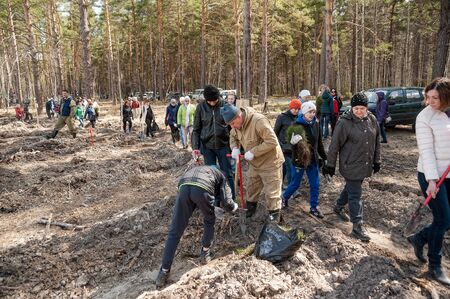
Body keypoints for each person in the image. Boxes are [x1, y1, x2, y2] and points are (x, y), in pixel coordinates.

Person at [155, 165, 238, 288]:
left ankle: (164, 271)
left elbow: (192, 192)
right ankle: (205, 253)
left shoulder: (199, 169)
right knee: (209, 221)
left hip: (184, 187)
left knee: (175, 230)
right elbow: (227, 201)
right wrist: (234, 208)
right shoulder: (221, 176)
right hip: (202, 189)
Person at [407, 77, 450, 285]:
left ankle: (420, 238)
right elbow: (427, 151)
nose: (431, 101)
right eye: (429, 97)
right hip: (430, 176)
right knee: (443, 220)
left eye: (436, 97)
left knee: (447, 220)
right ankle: (435, 266)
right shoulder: (424, 117)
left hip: (449, 175)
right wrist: (432, 180)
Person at [323, 92, 380, 242]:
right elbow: (334, 145)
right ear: (352, 108)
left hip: (365, 163)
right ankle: (357, 226)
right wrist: (330, 165)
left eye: (362, 108)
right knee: (356, 195)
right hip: (350, 165)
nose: (359, 111)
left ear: (367, 108)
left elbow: (376, 142)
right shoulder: (344, 123)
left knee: (351, 188)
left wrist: (377, 160)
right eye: (356, 109)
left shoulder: (372, 120)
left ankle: (338, 206)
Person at [221, 103, 285, 222]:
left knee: (272, 194)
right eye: (230, 125)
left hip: (270, 163)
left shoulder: (258, 121)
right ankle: (249, 212)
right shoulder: (236, 126)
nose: (232, 127)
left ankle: (275, 220)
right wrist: (234, 147)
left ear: (239, 116)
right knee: (252, 189)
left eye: (233, 123)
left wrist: (254, 152)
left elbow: (272, 141)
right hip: (255, 164)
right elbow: (233, 137)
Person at [281, 102, 327, 218]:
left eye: (313, 112)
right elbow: (290, 143)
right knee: (295, 184)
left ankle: (314, 207)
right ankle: (283, 198)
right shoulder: (296, 126)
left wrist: (325, 157)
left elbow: (319, 143)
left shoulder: (316, 124)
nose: (312, 114)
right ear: (304, 113)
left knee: (315, 184)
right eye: (309, 112)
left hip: (313, 160)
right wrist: (293, 143)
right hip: (299, 160)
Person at [192, 85, 235, 199]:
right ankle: (215, 200)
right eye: (209, 101)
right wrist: (195, 147)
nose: (212, 103)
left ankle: (231, 198)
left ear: (218, 97)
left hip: (223, 146)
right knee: (211, 174)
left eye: (214, 101)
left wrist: (235, 146)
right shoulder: (200, 108)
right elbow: (196, 129)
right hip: (207, 147)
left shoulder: (226, 106)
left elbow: (233, 128)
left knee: (228, 173)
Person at [274, 99, 301, 187]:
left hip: (295, 148)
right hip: (284, 148)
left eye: (298, 109)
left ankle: (280, 185)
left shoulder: (299, 118)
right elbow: (275, 132)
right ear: (290, 108)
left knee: (284, 169)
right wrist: (279, 145)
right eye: (294, 109)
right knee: (290, 169)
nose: (296, 111)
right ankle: (292, 190)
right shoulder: (282, 117)